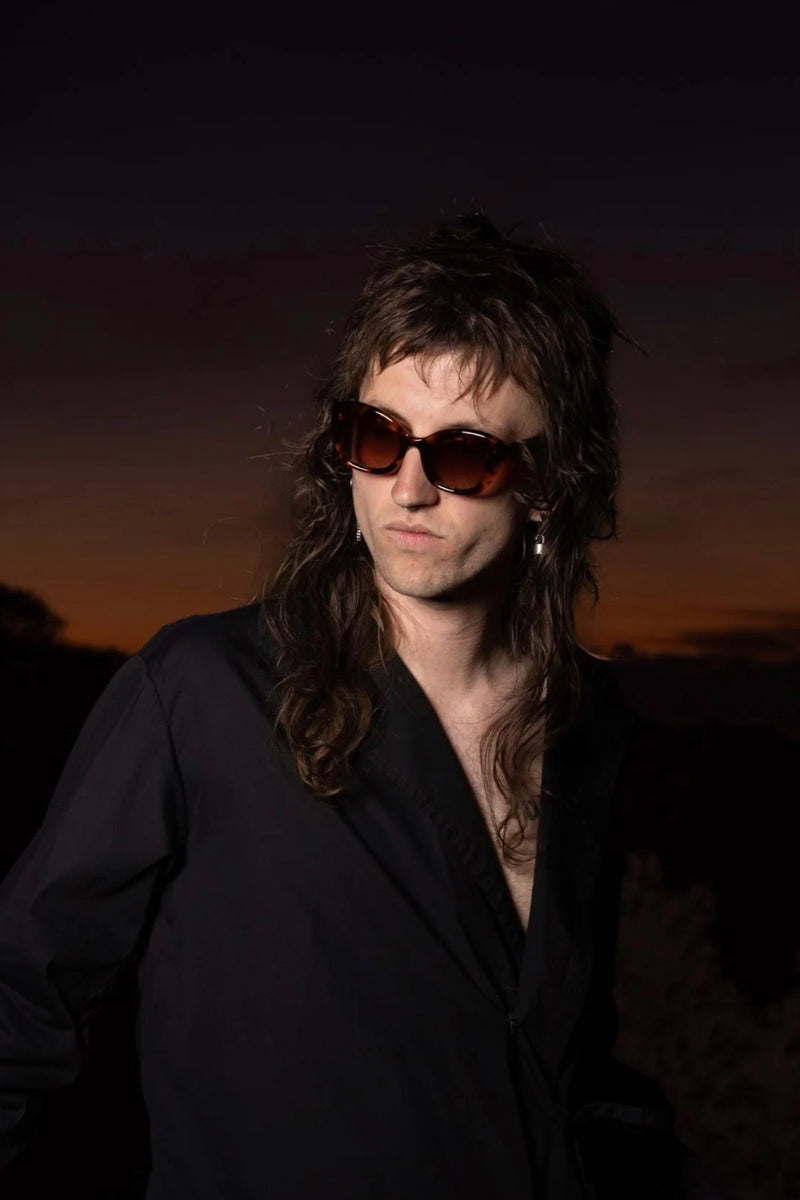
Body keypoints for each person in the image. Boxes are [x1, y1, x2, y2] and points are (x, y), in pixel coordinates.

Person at [0, 215, 725, 1198]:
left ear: (549, 485)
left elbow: (559, 1065)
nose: (407, 489)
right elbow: (21, 1008)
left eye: (464, 455)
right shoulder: (201, 692)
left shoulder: (587, 722)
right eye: (377, 437)